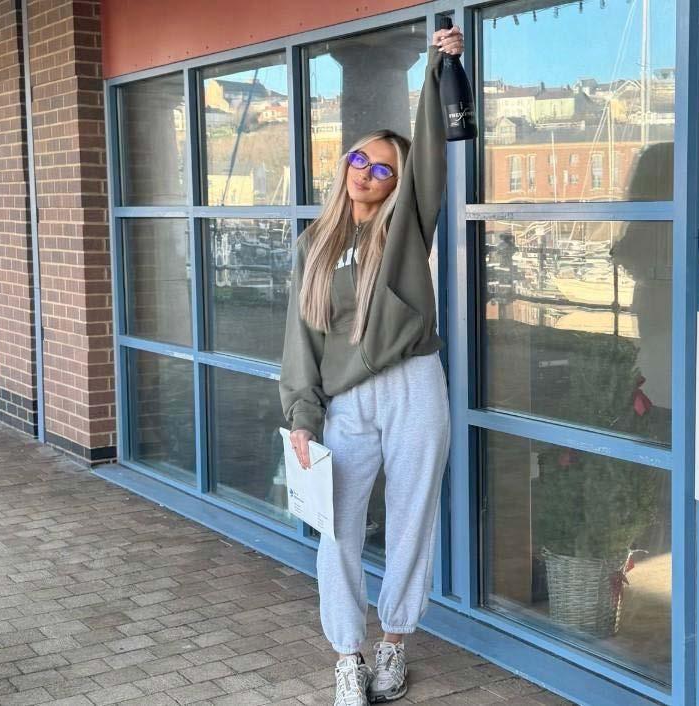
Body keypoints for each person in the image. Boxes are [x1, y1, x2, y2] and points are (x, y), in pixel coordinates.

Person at [279, 25, 464, 706]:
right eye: (361, 159)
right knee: (338, 530)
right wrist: (302, 415)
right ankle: (346, 656)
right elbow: (300, 338)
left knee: (413, 519)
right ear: (345, 164)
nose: (367, 172)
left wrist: (439, 71)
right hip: (347, 400)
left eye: (384, 168)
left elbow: (430, 159)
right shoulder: (314, 246)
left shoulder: (404, 230)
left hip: (414, 385)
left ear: (396, 183)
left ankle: (393, 646)